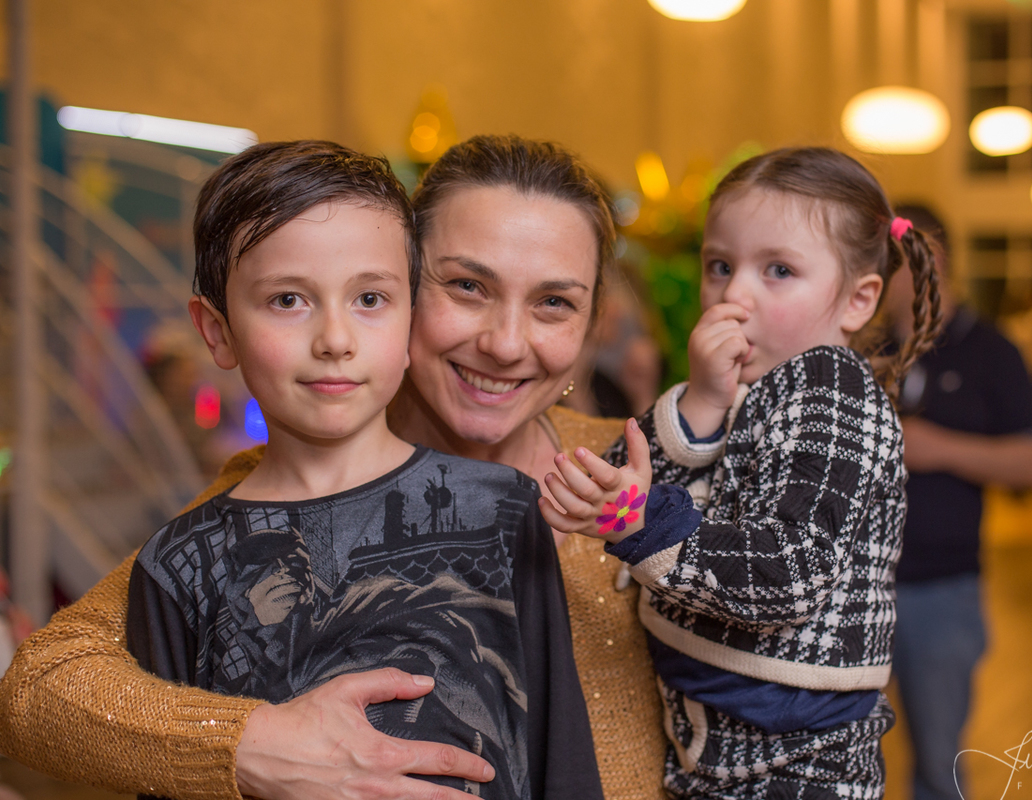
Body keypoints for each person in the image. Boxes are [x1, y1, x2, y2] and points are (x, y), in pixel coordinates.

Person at [0, 135, 667, 800]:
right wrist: (251, 744)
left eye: (554, 302)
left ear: (592, 323)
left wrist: (652, 531)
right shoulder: (232, 525)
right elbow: (39, 688)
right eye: (468, 286)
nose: (505, 343)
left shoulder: (648, 467)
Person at [539, 148, 944, 800]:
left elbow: (791, 570)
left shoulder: (831, 390)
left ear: (858, 300)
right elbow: (621, 482)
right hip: (716, 733)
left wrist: (636, 522)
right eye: (720, 266)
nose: (734, 294)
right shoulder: (741, 391)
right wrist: (700, 400)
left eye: (778, 270)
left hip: (796, 753)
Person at [883, 205, 1032, 800]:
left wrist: (940, 448)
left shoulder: (990, 350)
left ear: (934, 260)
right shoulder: (864, 348)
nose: (880, 274)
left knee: (938, 762)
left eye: (894, 260)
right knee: (838, 758)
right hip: (853, 587)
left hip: (941, 590)